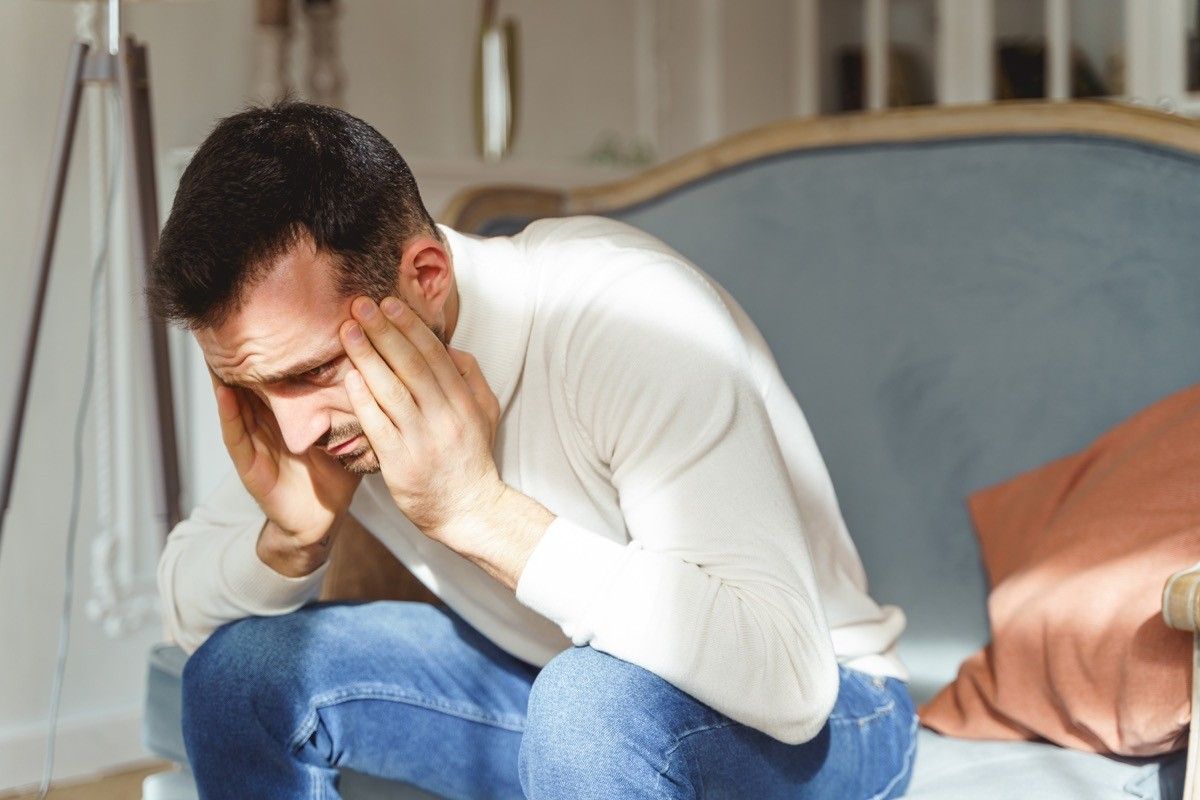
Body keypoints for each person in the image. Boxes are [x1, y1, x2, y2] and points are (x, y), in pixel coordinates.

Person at [150, 101, 915, 800]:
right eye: (254, 389)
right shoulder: (321, 406)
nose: (293, 433)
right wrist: (289, 541)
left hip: (829, 714)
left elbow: (789, 680)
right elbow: (182, 609)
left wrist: (479, 513)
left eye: (314, 371)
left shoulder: (626, 316)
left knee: (587, 707)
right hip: (552, 694)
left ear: (424, 278)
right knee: (239, 679)